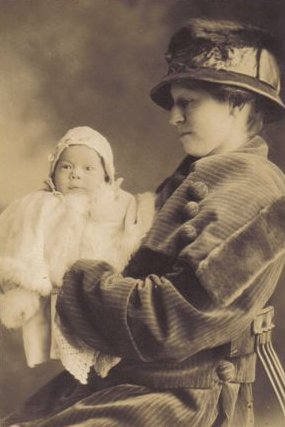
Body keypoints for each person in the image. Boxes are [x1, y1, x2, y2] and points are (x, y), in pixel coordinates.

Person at [3, 18, 285, 427]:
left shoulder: (257, 191)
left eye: (187, 103)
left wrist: (71, 274)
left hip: (181, 396)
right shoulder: (200, 173)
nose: (174, 117)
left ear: (238, 102)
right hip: (127, 376)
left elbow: (168, 323)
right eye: (174, 104)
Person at [0, 126, 154, 385]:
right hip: (50, 296)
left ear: (106, 174)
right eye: (66, 167)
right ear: (53, 171)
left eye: (88, 169)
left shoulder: (118, 205)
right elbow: (24, 241)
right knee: (49, 361)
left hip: (97, 296)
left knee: (103, 355)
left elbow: (131, 245)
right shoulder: (40, 205)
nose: (75, 176)